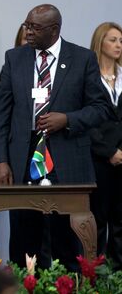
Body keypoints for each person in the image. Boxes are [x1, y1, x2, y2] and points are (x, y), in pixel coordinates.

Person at [0, 4, 111, 271]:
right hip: (24, 161)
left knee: (66, 243)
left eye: (34, 27)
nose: (28, 32)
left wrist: (68, 119)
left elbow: (101, 109)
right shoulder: (15, 58)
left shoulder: (82, 59)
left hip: (67, 161)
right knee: (25, 242)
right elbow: (0, 113)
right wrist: (1, 160)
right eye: (26, 25)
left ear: (54, 30)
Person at [89, 22, 122, 270]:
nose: (118, 45)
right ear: (100, 42)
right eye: (112, 40)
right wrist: (109, 151)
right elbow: (87, 120)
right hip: (97, 160)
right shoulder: (89, 78)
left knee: (120, 223)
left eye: (120, 40)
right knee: (97, 222)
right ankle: (95, 276)